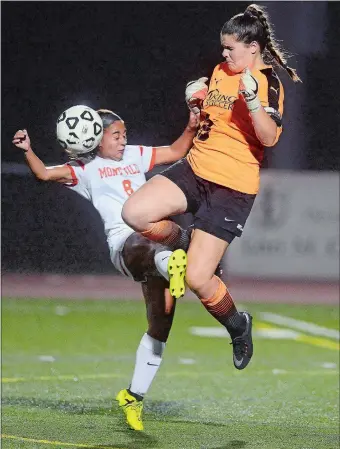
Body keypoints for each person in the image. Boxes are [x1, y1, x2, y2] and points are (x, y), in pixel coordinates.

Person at [122, 4, 301, 372]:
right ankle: (187, 243)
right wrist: (197, 104)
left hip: (231, 188)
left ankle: (238, 325)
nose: (223, 54)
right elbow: (214, 119)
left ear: (252, 47)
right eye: (222, 47)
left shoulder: (267, 83)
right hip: (196, 169)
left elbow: (268, 138)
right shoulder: (221, 70)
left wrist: (252, 102)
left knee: (197, 279)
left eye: (230, 48)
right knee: (134, 212)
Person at [12, 108, 200, 431]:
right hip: (126, 248)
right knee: (155, 244)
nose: (123, 139)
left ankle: (133, 397)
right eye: (117, 135)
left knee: (160, 327)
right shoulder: (85, 170)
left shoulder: (135, 155)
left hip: (155, 245)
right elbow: (43, 174)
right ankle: (175, 265)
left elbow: (176, 151)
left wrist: (191, 125)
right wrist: (28, 150)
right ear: (97, 140)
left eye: (125, 133)